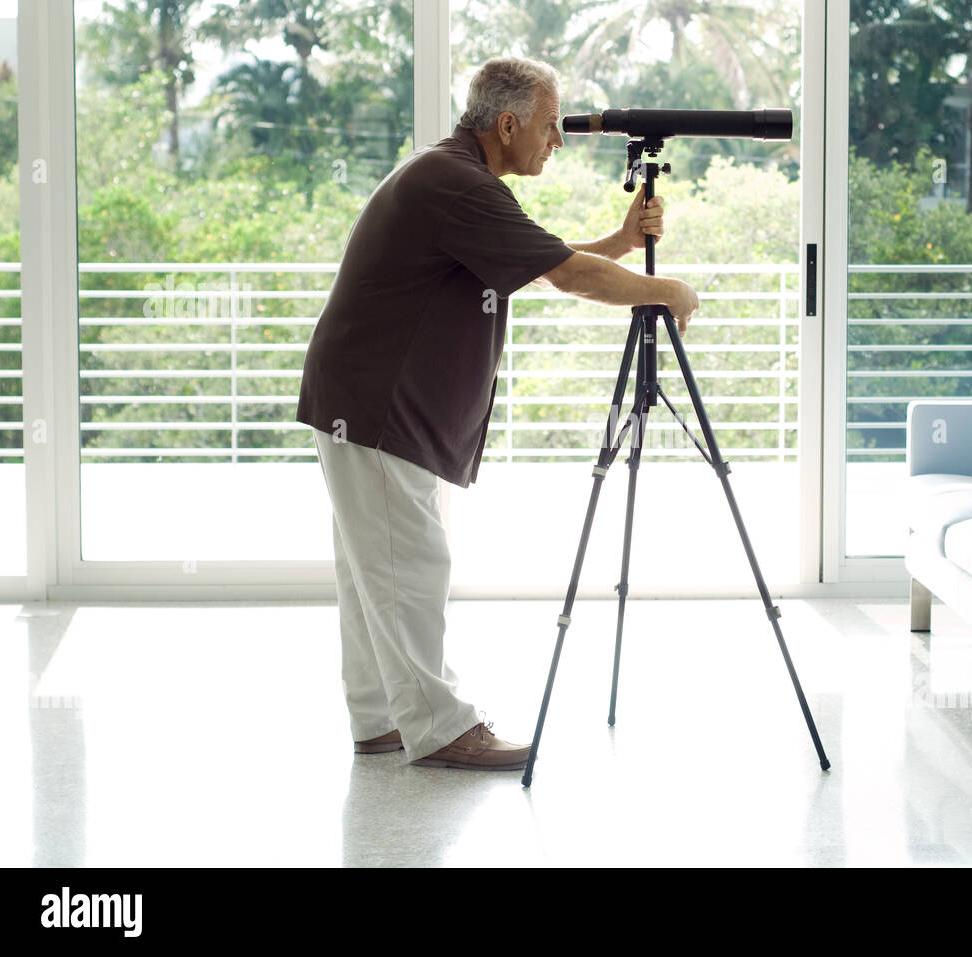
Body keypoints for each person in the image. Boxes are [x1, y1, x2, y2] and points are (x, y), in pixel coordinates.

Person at [297, 56, 699, 771]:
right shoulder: (457, 185)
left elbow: (541, 261)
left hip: (358, 397)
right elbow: (568, 276)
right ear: (507, 124)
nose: (559, 142)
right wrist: (664, 289)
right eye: (549, 126)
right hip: (377, 402)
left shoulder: (454, 176)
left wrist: (620, 246)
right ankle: (441, 726)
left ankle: (381, 717)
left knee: (373, 571)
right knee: (408, 565)